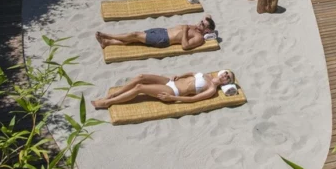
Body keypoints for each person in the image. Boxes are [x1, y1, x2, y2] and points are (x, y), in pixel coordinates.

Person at [92, 70, 236, 110]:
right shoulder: (207, 75)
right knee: (141, 76)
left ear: (227, 83)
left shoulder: (211, 89)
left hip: (173, 92)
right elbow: (192, 73)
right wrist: (179, 75)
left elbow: (193, 99)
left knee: (140, 88)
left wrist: (173, 99)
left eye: (228, 77)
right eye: (226, 73)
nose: (225, 75)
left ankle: (107, 103)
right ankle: (114, 94)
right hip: (171, 81)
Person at [95, 15, 215, 51]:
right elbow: (208, 16)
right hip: (162, 31)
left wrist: (184, 30)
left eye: (202, 25)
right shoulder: (197, 27)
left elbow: (185, 46)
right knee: (135, 40)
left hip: (163, 39)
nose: (199, 24)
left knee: (134, 35)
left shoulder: (199, 37)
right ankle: (108, 42)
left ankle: (107, 35)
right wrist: (205, 22)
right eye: (200, 22)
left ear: (207, 30)